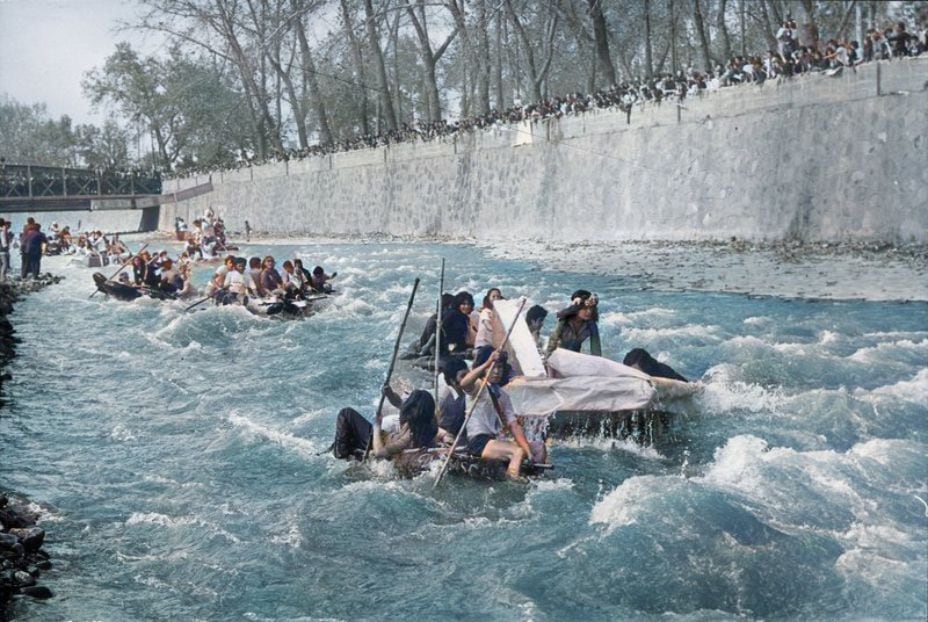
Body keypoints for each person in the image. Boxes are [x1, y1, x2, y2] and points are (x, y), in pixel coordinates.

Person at [460, 350, 533, 480]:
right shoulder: (479, 387)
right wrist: (488, 362)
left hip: (495, 440)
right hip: (479, 441)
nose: (496, 372)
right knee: (517, 452)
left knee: (538, 448)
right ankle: (512, 484)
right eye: (493, 367)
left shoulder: (502, 395)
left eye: (499, 367)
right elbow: (464, 384)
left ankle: (534, 478)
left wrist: (528, 451)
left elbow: (514, 425)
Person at [332, 389, 444, 460]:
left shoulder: (409, 436)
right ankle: (340, 449)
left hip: (378, 442)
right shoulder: (429, 421)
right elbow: (400, 404)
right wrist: (390, 394)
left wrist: (377, 427)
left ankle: (339, 455)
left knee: (346, 413)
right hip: (387, 437)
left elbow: (379, 452)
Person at [545, 290, 601, 358]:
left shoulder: (591, 325)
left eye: (591, 309)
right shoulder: (564, 321)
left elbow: (596, 349)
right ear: (576, 309)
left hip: (575, 357)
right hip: (558, 354)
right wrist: (547, 358)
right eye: (584, 308)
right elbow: (553, 341)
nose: (589, 312)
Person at [440, 291, 475, 360]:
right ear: (458, 304)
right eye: (463, 304)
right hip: (451, 348)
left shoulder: (464, 317)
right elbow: (442, 328)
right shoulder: (451, 315)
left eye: (468, 304)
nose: (466, 307)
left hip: (461, 345)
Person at [473, 288, 505, 363]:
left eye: (498, 297)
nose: (496, 299)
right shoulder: (486, 311)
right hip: (482, 345)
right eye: (493, 297)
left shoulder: (498, 314)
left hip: (492, 345)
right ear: (488, 298)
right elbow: (488, 326)